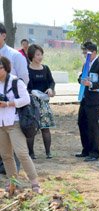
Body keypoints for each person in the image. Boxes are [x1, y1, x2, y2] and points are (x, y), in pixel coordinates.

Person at [0, 57, 41, 193]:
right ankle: (13, 183)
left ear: (6, 68)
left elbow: (26, 99)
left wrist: (8, 104)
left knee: (22, 153)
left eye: (0, 68)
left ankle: (35, 183)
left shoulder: (15, 81)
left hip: (15, 121)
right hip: (1, 123)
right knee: (6, 155)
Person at [0, 23, 29, 174]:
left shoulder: (15, 55)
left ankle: (15, 175)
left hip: (13, 107)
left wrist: (12, 98)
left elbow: (24, 78)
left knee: (17, 146)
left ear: (4, 35)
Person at [76, 41, 99, 162]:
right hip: (84, 98)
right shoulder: (86, 64)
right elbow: (80, 77)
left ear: (94, 52)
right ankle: (86, 150)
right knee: (82, 123)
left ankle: (94, 152)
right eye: (84, 52)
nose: (85, 54)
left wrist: (90, 83)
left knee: (93, 126)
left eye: (87, 52)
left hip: (94, 100)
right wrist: (81, 80)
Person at [26, 44, 56, 159]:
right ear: (32, 56)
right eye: (38, 54)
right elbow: (24, 86)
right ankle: (31, 153)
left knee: (45, 128)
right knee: (31, 128)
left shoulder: (46, 68)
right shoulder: (27, 69)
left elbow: (51, 82)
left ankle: (48, 152)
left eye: (41, 54)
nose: (40, 57)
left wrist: (50, 89)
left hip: (44, 103)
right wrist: (31, 92)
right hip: (31, 103)